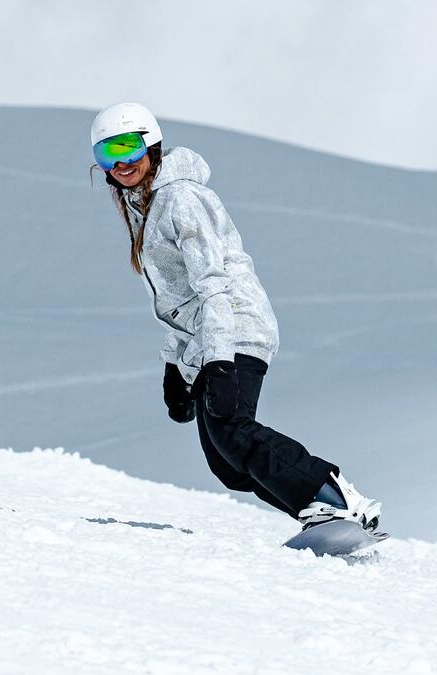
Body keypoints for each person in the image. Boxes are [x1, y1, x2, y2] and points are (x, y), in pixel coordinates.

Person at [88, 102, 383, 536]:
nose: (121, 163)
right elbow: (178, 299)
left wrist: (221, 360)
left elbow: (212, 285)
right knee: (228, 464)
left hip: (235, 326)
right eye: (107, 155)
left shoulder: (180, 199)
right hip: (208, 338)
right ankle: (320, 516)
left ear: (151, 145)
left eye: (129, 146)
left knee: (234, 431)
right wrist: (176, 367)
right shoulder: (148, 208)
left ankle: (335, 498)